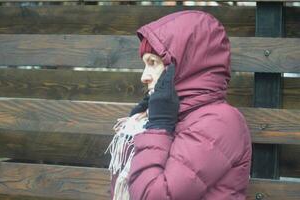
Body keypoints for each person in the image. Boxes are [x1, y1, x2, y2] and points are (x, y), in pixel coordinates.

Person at [106, 10, 252, 200]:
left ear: (186, 65)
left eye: (153, 63)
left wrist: (156, 128)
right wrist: (138, 130)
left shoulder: (220, 122)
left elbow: (154, 196)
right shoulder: (174, 116)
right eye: (144, 64)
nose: (143, 77)